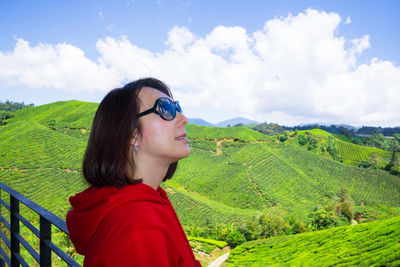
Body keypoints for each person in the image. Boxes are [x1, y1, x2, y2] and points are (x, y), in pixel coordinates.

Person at [66, 78, 201, 266]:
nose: (183, 118)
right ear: (132, 135)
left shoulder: (147, 201)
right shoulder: (138, 225)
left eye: (177, 107)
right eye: (165, 109)